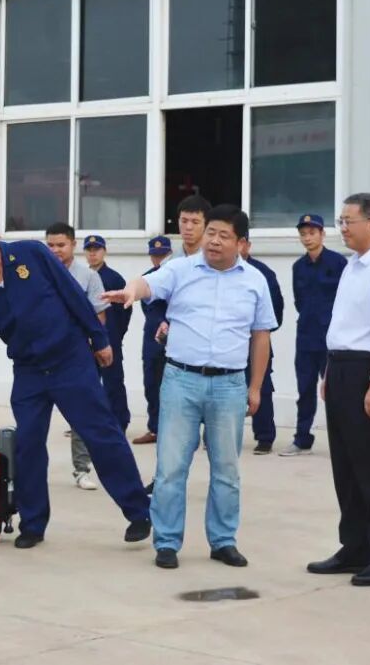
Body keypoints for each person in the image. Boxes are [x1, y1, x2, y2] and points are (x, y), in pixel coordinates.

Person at [0, 223, 151, 549]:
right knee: (27, 444)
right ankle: (33, 523)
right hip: (29, 371)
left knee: (101, 434)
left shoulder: (31, 254)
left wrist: (99, 338)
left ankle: (139, 511)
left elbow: (72, 295)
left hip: (70, 361)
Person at [103, 204, 276, 570]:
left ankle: (223, 541)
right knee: (170, 468)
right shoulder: (180, 269)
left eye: (224, 235)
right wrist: (131, 291)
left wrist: (256, 387)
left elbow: (261, 336)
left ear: (241, 243)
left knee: (226, 470)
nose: (214, 241)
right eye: (210, 232)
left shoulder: (255, 280)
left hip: (229, 385)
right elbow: (147, 283)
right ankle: (167, 542)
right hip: (181, 381)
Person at [306, 193, 370, 587]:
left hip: (369, 370)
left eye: (348, 221)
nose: (343, 228)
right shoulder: (353, 265)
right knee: (346, 466)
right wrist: (330, 373)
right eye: (341, 221)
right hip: (342, 369)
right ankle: (355, 547)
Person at [46, 222, 106, 491]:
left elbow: (99, 315)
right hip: (43, 355)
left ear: (73, 245)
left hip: (77, 355)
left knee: (82, 414)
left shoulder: (88, 276)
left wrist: (97, 346)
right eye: (50, 245)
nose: (55, 250)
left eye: (61, 245)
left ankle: (82, 469)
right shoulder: (37, 273)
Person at [285, 214, 347, 456]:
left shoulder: (338, 263)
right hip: (306, 338)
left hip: (332, 339)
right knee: (305, 391)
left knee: (335, 393)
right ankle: (302, 439)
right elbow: (299, 301)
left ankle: (343, 443)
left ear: (322, 234)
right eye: (303, 234)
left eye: (312, 233)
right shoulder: (298, 267)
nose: (307, 238)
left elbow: (346, 301)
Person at [239, 224, 284, 454]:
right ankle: (215, 436)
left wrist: (258, 332)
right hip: (228, 343)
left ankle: (265, 437)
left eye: (241, 243)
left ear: (247, 245)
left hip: (256, 341)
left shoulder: (263, 274)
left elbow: (276, 312)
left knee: (261, 388)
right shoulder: (217, 270)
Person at [84, 234, 133, 433]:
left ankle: (119, 422)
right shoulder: (82, 276)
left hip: (109, 338)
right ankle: (90, 423)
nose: (93, 254)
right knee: (88, 383)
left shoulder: (114, 278)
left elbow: (125, 310)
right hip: (87, 339)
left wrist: (115, 334)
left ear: (104, 251)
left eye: (97, 249)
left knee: (113, 381)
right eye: (89, 250)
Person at [133, 235, 172, 445]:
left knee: (174, 386)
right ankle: (155, 428)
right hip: (152, 338)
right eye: (155, 255)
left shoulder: (177, 276)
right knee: (151, 383)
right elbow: (147, 308)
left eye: (163, 255)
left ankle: (175, 431)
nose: (158, 259)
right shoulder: (147, 279)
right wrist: (159, 323)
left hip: (175, 338)